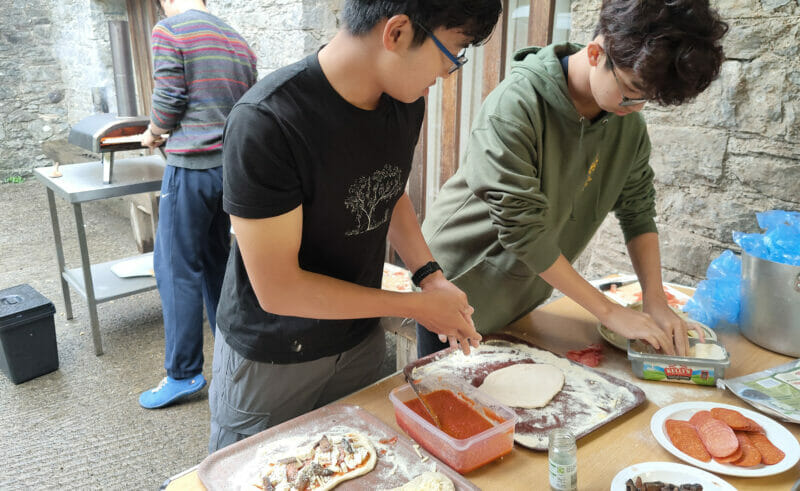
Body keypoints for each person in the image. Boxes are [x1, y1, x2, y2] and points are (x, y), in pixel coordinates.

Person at [209, 0, 502, 452]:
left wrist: (431, 277)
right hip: (274, 358)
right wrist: (418, 306)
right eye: (454, 52)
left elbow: (388, 191)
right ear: (398, 32)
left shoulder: (403, 102)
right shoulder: (268, 122)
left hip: (359, 341)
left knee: (363, 467)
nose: (449, 73)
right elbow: (279, 289)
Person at [417, 0, 728, 358]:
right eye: (630, 91)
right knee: (450, 399)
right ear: (596, 53)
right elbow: (523, 230)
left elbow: (638, 211)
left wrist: (655, 300)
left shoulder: (628, 125)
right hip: (456, 286)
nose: (635, 108)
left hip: (525, 292)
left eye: (647, 100)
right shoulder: (516, 105)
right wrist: (610, 312)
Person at [139, 0, 257, 409]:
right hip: (229, 173)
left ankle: (184, 372)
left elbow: (169, 100)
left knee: (174, 268)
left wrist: (153, 132)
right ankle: (230, 353)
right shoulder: (239, 43)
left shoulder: (170, 30)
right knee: (215, 264)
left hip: (189, 169)